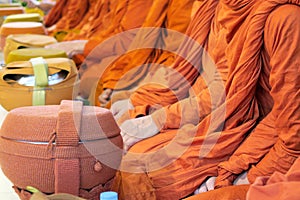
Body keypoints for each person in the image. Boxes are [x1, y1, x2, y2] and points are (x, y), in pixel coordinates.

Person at [109, 0, 300, 199]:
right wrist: (148, 104)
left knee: (141, 166)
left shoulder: (284, 18)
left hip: (247, 129)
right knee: (119, 138)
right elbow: (195, 77)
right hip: (218, 116)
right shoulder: (217, 6)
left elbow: (287, 126)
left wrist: (241, 170)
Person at [78, 0, 196, 105]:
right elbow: (142, 40)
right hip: (148, 62)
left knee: (100, 89)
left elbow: (183, 56)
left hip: (177, 77)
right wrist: (117, 79)